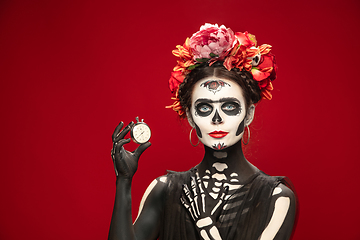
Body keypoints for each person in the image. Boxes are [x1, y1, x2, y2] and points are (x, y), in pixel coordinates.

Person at [108, 23, 297, 240]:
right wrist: (124, 181)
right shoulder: (164, 190)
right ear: (190, 116)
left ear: (249, 114)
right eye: (205, 108)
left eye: (229, 106)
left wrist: (207, 228)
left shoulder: (276, 198)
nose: (217, 119)